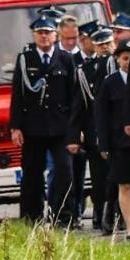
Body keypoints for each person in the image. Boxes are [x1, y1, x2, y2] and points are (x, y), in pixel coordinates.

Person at [8, 14, 77, 225]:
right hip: (33, 127)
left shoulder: (65, 59)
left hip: (60, 126)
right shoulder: (25, 59)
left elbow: (74, 96)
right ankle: (32, 216)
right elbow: (17, 95)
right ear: (34, 35)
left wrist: (75, 128)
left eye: (48, 33)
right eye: (40, 33)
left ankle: (63, 216)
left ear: (55, 35)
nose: (44, 37)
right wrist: (15, 127)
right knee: (32, 174)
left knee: (65, 170)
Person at [96, 38, 130, 242]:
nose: (128, 62)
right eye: (125, 58)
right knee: (124, 185)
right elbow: (101, 115)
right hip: (119, 142)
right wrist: (104, 143)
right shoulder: (110, 83)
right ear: (117, 59)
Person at [72, 26, 117, 233]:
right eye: (101, 45)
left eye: (108, 44)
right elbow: (79, 106)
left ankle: (121, 213)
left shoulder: (121, 65)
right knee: (98, 177)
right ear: (94, 47)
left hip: (118, 128)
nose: (106, 48)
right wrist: (76, 133)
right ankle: (100, 211)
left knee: (120, 175)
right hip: (95, 130)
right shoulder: (85, 70)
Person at [53, 15, 90, 224]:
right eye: (66, 38)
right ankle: (64, 210)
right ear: (59, 35)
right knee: (62, 172)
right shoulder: (56, 57)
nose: (70, 43)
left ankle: (77, 209)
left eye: (74, 38)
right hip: (63, 125)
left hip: (83, 123)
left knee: (79, 171)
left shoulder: (81, 58)